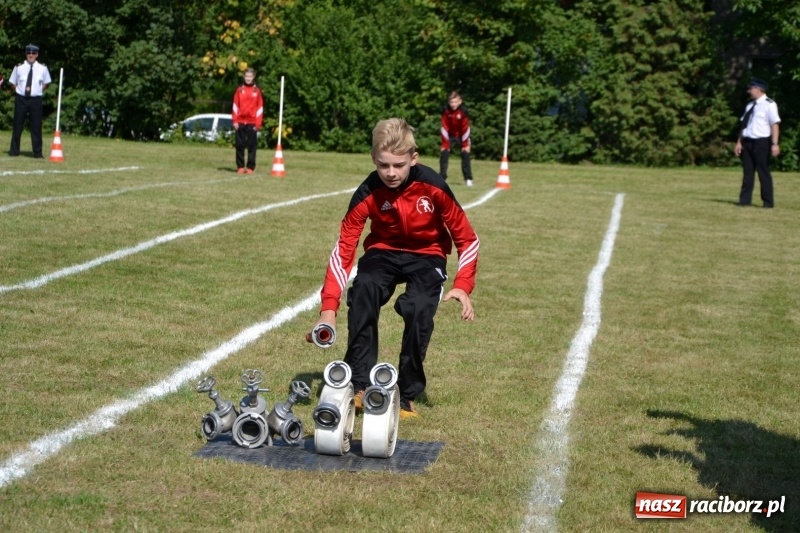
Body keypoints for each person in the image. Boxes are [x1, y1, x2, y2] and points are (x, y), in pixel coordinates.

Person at [310, 118, 480, 419]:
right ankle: (359, 383)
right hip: (383, 251)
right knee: (364, 289)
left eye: (399, 165)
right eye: (383, 165)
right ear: (374, 159)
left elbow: (468, 240)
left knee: (418, 307)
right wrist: (328, 309)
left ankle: (406, 392)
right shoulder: (367, 192)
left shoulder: (434, 187)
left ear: (413, 159)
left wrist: (462, 284)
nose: (390, 173)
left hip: (427, 255)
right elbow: (344, 249)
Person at [734, 78, 780, 208]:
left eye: (751, 88)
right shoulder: (749, 105)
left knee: (763, 172)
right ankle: (744, 200)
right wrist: (739, 142)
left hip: (761, 142)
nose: (749, 91)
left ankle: (767, 202)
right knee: (748, 173)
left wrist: (774, 143)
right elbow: (744, 126)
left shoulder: (769, 104)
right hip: (747, 142)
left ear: (758, 89)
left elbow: (774, 125)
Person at [8, 44, 51, 158]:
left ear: (37, 55)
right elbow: (13, 82)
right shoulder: (19, 67)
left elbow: (46, 82)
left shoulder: (42, 68)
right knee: (18, 124)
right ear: (26, 54)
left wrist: (37, 90)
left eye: (33, 53)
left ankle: (37, 153)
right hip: (21, 98)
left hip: (35, 100)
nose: (30, 55)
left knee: (36, 126)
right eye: (28, 53)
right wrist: (18, 90)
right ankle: (14, 151)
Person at [232, 67, 263, 174]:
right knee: (239, 145)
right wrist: (235, 120)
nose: (248, 78)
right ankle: (240, 166)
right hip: (240, 121)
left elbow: (259, 108)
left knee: (251, 145)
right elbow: (235, 106)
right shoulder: (239, 89)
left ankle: (250, 167)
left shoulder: (257, 90)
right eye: (246, 76)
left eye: (250, 76)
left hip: (252, 122)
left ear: (253, 77)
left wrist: (258, 123)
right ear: (244, 77)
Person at [439, 91, 474, 187]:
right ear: (448, 102)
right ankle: (442, 178)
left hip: (462, 135)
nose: (453, 104)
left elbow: (465, 128)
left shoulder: (463, 112)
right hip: (449, 135)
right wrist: (446, 144)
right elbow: (444, 127)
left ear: (460, 101)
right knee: (444, 153)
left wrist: (465, 144)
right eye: (451, 102)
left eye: (455, 102)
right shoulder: (445, 110)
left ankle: (468, 179)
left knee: (465, 153)